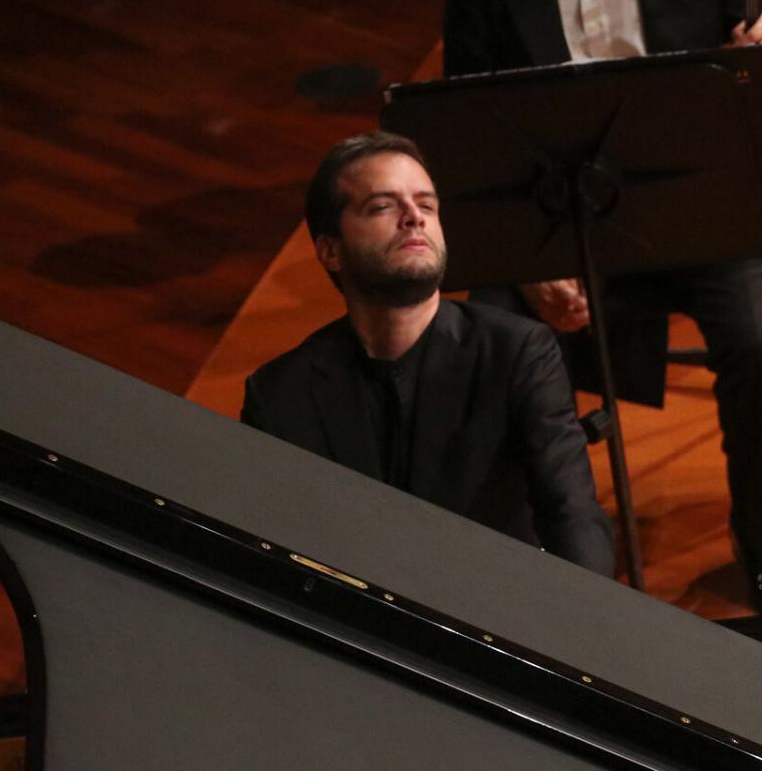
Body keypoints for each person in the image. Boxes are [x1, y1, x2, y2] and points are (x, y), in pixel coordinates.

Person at [443, 0, 762, 614]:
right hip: (564, 218)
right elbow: (466, 123)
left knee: (760, 338)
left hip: (702, 203)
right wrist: (528, 263)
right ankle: (543, 544)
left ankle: (759, 526)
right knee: (482, 333)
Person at [241, 132, 615, 576]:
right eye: (383, 206)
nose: (414, 218)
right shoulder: (281, 394)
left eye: (427, 204)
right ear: (330, 250)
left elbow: (571, 515)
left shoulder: (517, 352)